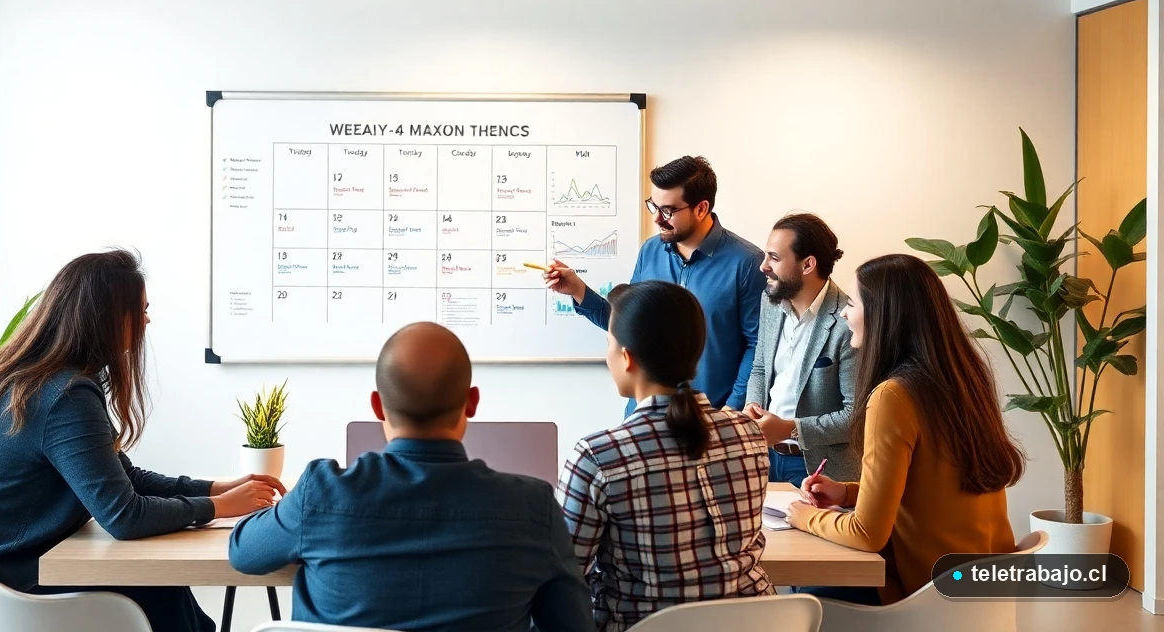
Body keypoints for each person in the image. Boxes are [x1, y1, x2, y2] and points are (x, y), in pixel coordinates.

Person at [0, 249, 285, 632]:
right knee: (156, 586)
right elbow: (124, 517)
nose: (147, 320)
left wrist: (215, 488)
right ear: (107, 318)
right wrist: (216, 507)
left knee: (162, 588)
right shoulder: (65, 396)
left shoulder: (29, 379)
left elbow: (121, 478)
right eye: (139, 310)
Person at [228, 321, 594, 632]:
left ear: (376, 406)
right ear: (472, 402)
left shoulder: (322, 493)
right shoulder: (533, 508)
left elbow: (244, 553)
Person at [785, 253, 1024, 605]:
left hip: (928, 600)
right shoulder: (964, 379)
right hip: (983, 592)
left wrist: (807, 516)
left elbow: (867, 534)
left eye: (852, 303)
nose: (844, 314)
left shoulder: (893, 396)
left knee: (806, 593)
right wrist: (847, 494)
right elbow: (930, 489)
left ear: (884, 316)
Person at [556, 281, 773, 632]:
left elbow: (562, 578)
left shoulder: (598, 457)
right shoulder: (749, 434)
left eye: (609, 343)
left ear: (627, 357)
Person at [544, 156, 763, 410]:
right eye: (653, 206)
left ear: (701, 209)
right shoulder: (650, 251)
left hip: (710, 423)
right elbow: (630, 325)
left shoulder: (747, 263)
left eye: (668, 211)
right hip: (644, 419)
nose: (657, 219)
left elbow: (758, 346)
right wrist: (579, 291)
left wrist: (732, 409)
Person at [743, 214, 859, 488]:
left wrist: (790, 428)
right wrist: (752, 407)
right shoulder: (769, 302)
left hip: (819, 468)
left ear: (808, 264)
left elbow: (855, 416)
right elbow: (760, 367)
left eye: (774, 257)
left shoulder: (849, 321)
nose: (763, 266)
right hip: (763, 457)